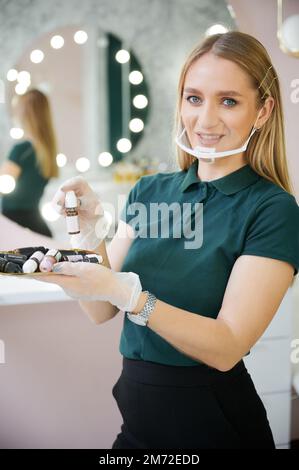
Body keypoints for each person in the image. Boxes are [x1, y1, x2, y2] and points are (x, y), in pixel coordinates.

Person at [29, 31, 299, 449]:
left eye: (228, 101)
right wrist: (86, 234)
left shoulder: (271, 209)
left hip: (214, 425)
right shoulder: (149, 191)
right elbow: (100, 308)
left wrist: (135, 298)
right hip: (138, 424)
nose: (205, 120)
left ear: (263, 111)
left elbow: (227, 347)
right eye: (194, 98)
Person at [0, 89, 58, 237]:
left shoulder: (21, 150)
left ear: (24, 114)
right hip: (36, 227)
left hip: (11, 225)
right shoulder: (48, 152)